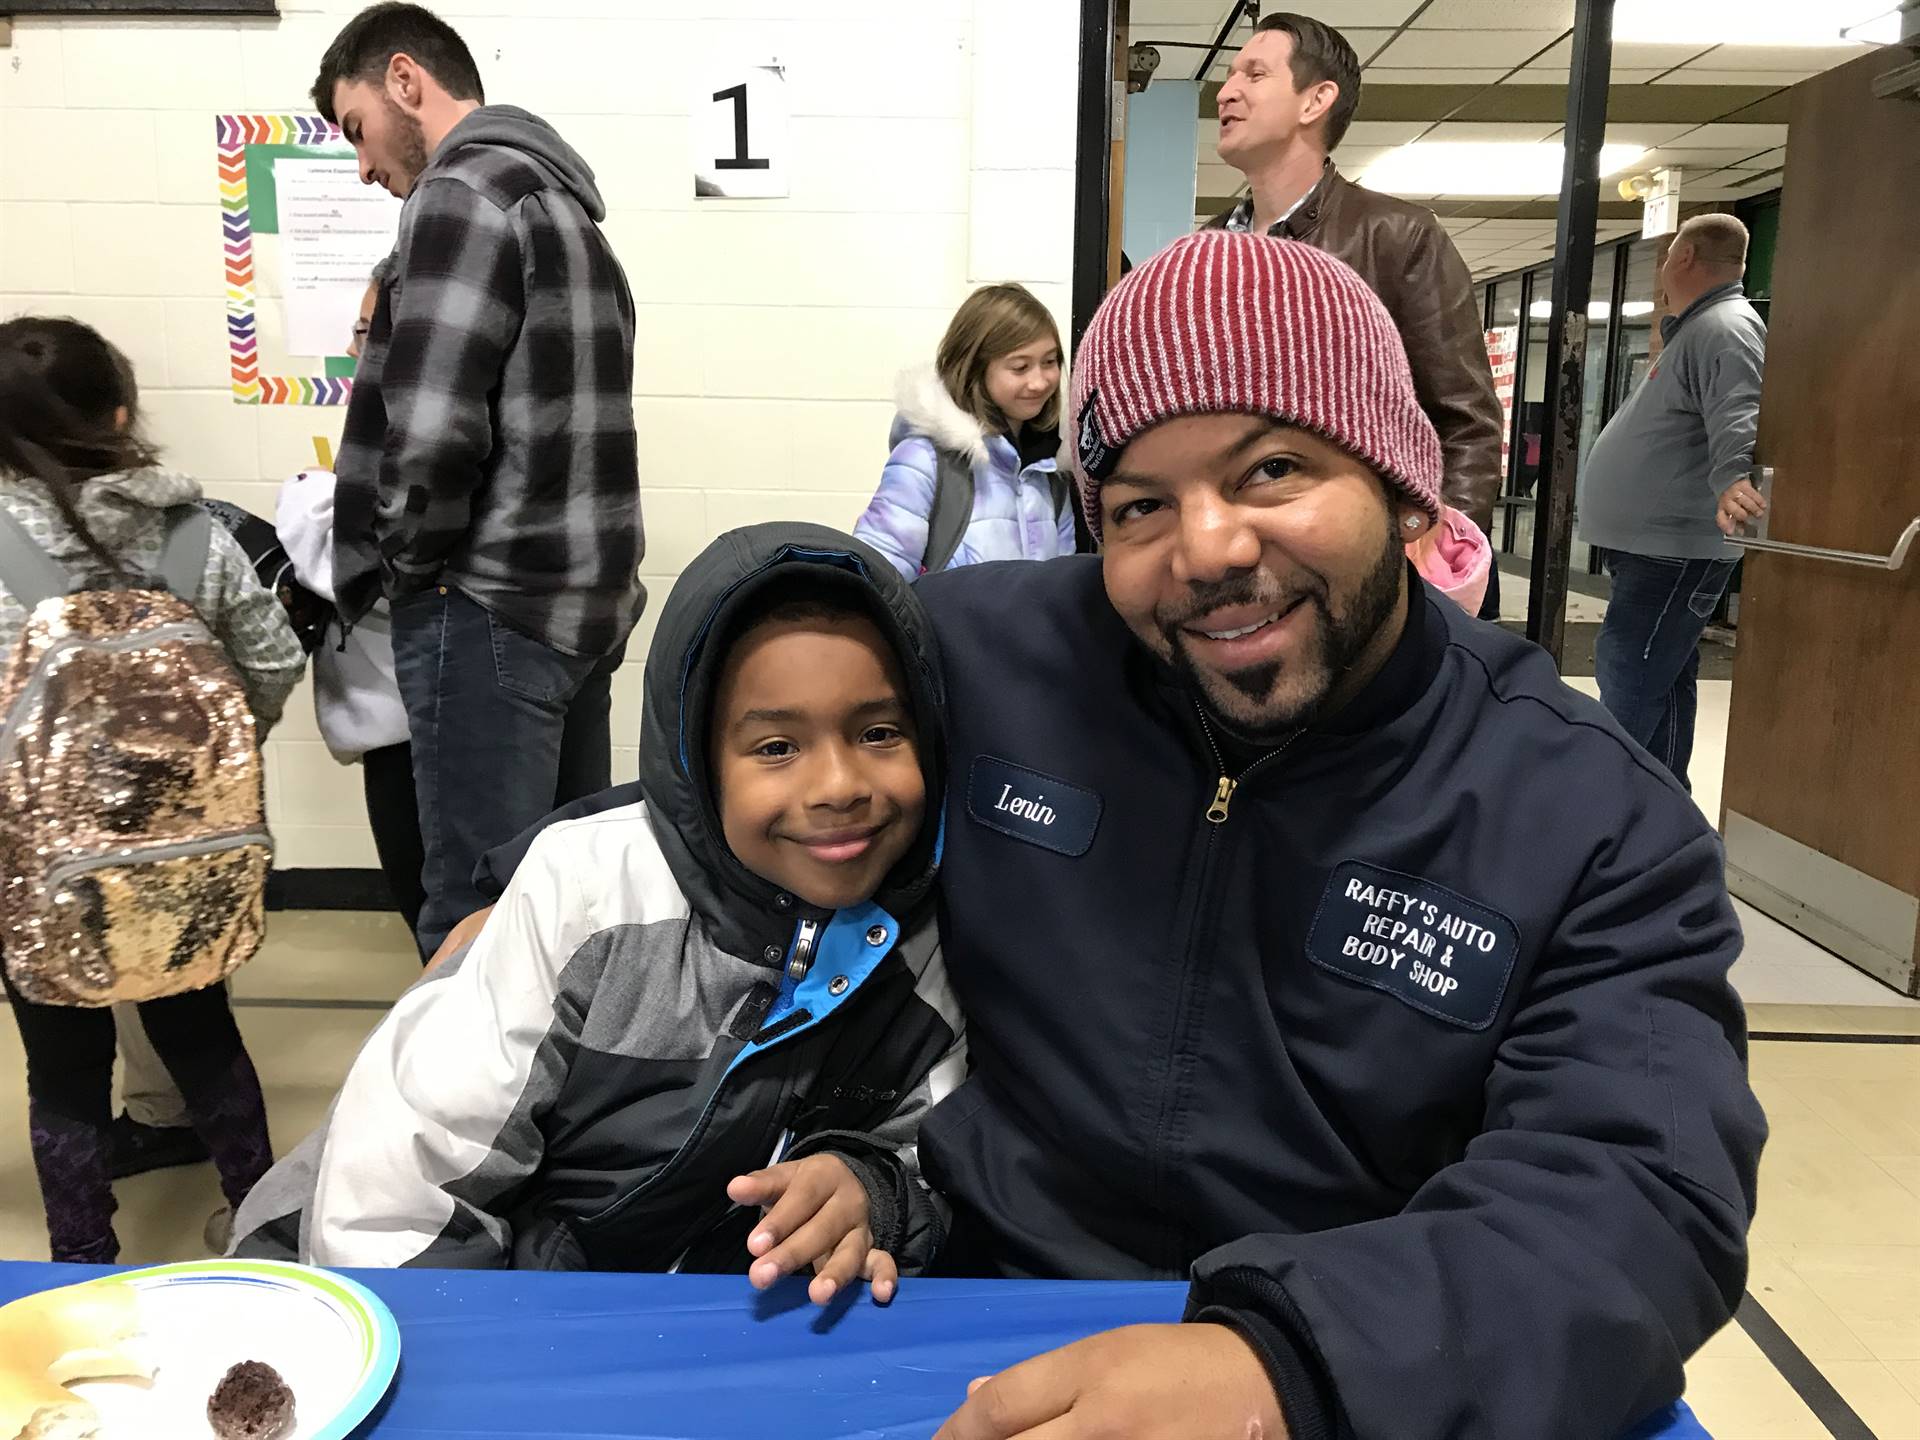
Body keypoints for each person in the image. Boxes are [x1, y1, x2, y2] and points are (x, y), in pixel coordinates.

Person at [448, 235, 1769, 1439]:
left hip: (1357, 1353)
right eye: (1138, 503)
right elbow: (772, 748)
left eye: (1273, 468)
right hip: (960, 1298)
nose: (1206, 547)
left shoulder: (1587, 815)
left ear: (1402, 483)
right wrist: (566, 884)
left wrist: (1282, 1365)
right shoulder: (994, 657)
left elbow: (1642, 1195)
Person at [231, 524, 965, 1294]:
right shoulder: (586, 894)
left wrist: (870, 1192)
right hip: (388, 1294)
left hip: (673, 1321)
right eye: (776, 747)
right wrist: (449, 1361)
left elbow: (925, 1152)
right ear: (693, 765)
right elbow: (396, 1188)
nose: (840, 785)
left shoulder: (925, 947)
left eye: (880, 732)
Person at [315, 1, 646, 955]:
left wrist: (410, 571)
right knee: (562, 903)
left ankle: (464, 1109)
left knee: (472, 918)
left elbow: (431, 436)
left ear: (407, 81)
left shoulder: (460, 194)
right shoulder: (569, 210)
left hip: (488, 609)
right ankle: (561, 1104)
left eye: (358, 128)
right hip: (581, 611)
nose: (364, 164)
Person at [0, 316, 302, 1263]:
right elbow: (275, 659)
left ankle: (84, 1260)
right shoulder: (194, 536)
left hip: (43, 867)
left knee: (62, 1072)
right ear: (122, 412)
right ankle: (260, 1224)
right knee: (202, 1033)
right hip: (189, 859)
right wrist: (199, 769)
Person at [1210, 12, 1507, 617]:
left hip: (1366, 565)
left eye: (1254, 73)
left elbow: (1466, 420)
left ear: (1315, 100)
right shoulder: (1212, 251)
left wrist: (1431, 546)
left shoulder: (1397, 237)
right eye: (1229, 73)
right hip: (1244, 557)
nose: (1226, 90)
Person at [1578, 213, 1767, 790]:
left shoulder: (1725, 327)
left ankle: (1612, 815)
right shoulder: (1700, 326)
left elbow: (1742, 409)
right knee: (1664, 673)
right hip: (1662, 546)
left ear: (1683, 258)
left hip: (1675, 548)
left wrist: (1734, 478)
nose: (1663, 270)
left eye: (1665, 259)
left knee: (1630, 671)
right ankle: (1661, 809)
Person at [276, 273, 426, 944]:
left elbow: (355, 559)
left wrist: (305, 499)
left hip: (418, 724)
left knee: (435, 910)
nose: (355, 346)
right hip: (401, 717)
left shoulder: (423, 435)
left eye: (369, 333)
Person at [853, 284, 1079, 579]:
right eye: (1020, 367)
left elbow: (1062, 586)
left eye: (1049, 362)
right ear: (975, 368)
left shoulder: (1051, 469)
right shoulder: (925, 460)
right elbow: (878, 578)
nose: (1039, 382)